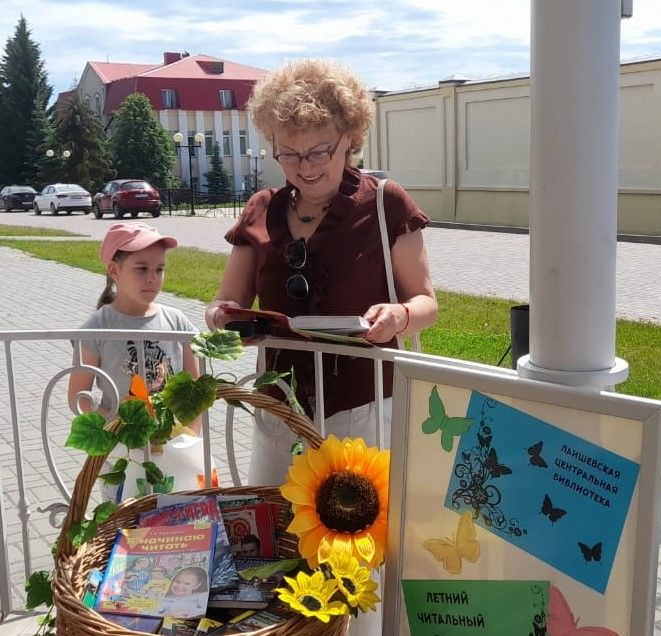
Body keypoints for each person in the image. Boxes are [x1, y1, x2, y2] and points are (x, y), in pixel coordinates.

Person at [205, 58, 437, 488]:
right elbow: (222, 302)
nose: (305, 167)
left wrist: (399, 317)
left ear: (351, 138)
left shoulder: (387, 203)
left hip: (364, 409)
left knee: (357, 542)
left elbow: (426, 303)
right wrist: (224, 317)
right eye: (289, 154)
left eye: (319, 151)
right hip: (279, 409)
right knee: (280, 533)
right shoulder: (261, 207)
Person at [67, 223, 203, 501]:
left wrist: (187, 438)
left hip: (173, 448)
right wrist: (110, 433)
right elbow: (78, 395)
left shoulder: (178, 322)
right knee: (124, 523)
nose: (152, 278)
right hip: (121, 453)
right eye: (141, 269)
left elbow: (197, 390)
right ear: (114, 271)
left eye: (159, 269)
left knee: (174, 520)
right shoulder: (97, 327)